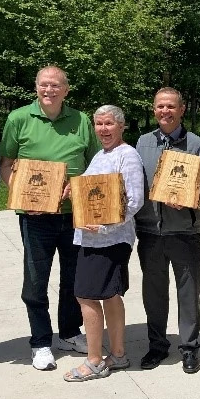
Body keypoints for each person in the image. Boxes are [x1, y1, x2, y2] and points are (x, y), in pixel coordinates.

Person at [0, 66, 100, 371]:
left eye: (56, 86)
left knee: (73, 278)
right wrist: (19, 195)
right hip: (35, 217)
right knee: (36, 280)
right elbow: (6, 164)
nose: (49, 90)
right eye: (44, 85)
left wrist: (79, 187)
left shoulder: (82, 120)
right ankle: (41, 341)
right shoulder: (18, 118)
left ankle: (68, 333)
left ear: (66, 90)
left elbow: (95, 164)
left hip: (74, 214)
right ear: (36, 88)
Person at [135, 88, 200, 374]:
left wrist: (193, 193)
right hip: (150, 230)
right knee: (154, 292)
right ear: (154, 110)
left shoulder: (196, 144)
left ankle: (189, 347)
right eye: (160, 106)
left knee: (187, 291)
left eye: (170, 106)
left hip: (183, 230)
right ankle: (157, 345)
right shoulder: (142, 142)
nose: (165, 111)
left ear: (181, 110)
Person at [63, 105, 144, 381]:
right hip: (92, 237)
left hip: (110, 239)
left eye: (109, 124)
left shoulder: (127, 155)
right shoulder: (100, 155)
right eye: (99, 124)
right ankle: (118, 354)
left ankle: (95, 361)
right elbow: (89, 192)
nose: (103, 129)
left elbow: (134, 200)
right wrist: (71, 191)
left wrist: (105, 225)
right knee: (110, 295)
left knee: (86, 296)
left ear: (121, 126)